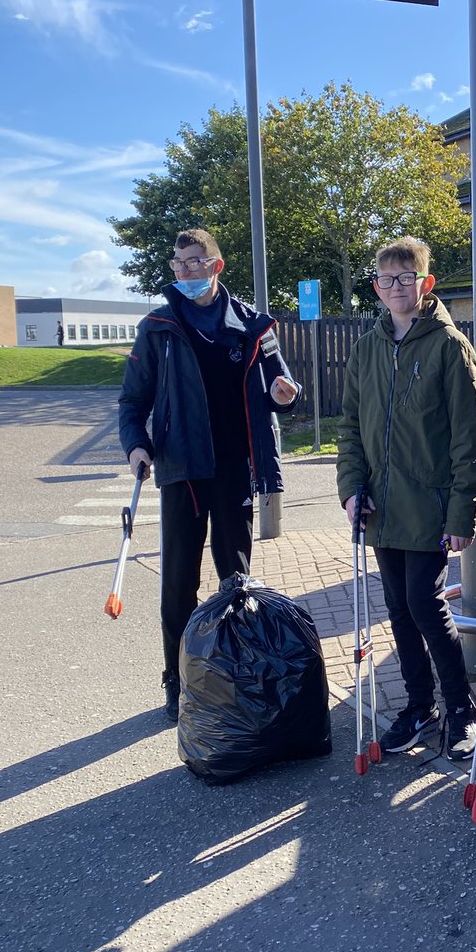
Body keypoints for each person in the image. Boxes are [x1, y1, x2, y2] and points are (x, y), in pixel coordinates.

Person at [118, 229, 301, 722]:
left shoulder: (253, 324)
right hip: (182, 469)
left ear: (216, 266)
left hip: (236, 467)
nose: (186, 272)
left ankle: (234, 673)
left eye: (195, 263)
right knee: (178, 580)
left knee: (235, 579)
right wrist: (136, 445)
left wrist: (285, 394)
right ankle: (177, 680)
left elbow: (280, 382)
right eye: (179, 265)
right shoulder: (157, 326)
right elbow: (133, 401)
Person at [337, 237, 476, 761]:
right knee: (399, 607)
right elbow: (351, 428)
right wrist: (350, 489)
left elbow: (470, 439)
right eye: (386, 280)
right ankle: (420, 705)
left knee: (426, 605)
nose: (396, 288)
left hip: (429, 507)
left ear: (425, 285)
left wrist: (462, 511)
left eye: (406, 278)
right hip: (382, 507)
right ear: (376, 287)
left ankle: (461, 708)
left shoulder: (449, 347)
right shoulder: (366, 347)